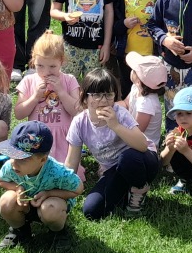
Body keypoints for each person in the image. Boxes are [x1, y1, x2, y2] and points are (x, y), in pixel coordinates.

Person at [65, 69, 159, 220]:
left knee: (127, 158)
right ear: (85, 97)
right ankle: (126, 190)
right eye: (96, 95)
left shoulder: (120, 113)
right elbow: (72, 162)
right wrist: (64, 190)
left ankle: (139, 189)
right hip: (114, 169)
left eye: (109, 95)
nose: (103, 101)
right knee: (92, 210)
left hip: (143, 160)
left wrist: (115, 126)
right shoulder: (79, 122)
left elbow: (142, 145)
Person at [0, 120, 83, 251]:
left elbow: (78, 189)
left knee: (51, 209)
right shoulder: (11, 166)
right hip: (23, 205)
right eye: (12, 155)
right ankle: (20, 230)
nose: (14, 163)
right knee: (6, 202)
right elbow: (1, 180)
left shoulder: (57, 172)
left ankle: (58, 232)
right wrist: (18, 189)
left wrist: (49, 194)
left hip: (49, 205)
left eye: (23, 159)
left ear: (42, 160)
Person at [14, 32, 82, 172]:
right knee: (37, 170)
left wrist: (61, 91)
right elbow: (19, 114)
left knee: (65, 172)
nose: (46, 72)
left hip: (63, 138)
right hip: (37, 138)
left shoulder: (69, 80)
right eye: (40, 66)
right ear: (33, 61)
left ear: (61, 61)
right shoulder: (29, 81)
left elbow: (77, 111)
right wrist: (35, 97)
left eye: (52, 66)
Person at [123, 51, 168, 153]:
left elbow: (137, 133)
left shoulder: (147, 104)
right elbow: (125, 104)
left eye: (134, 70)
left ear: (139, 80)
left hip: (145, 149)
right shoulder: (136, 88)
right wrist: (110, 107)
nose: (131, 71)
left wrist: (116, 127)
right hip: (132, 137)